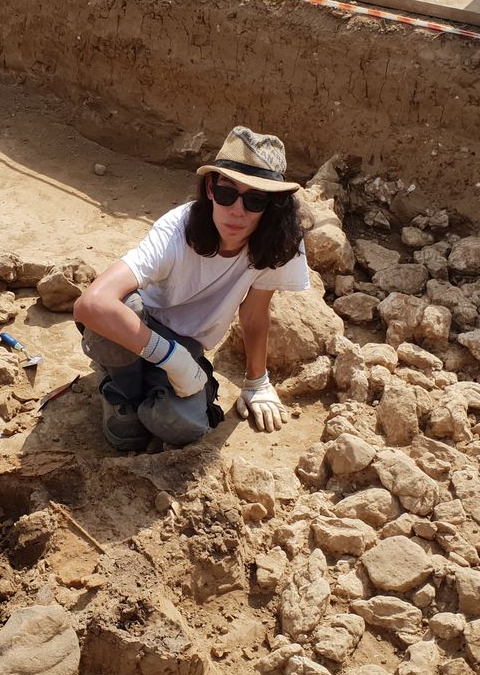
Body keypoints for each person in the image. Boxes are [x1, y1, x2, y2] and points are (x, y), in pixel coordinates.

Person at [74, 127, 310, 452]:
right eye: (228, 194)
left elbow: (254, 313)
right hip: (139, 325)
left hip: (190, 344)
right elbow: (92, 304)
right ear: (211, 189)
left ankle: (148, 386)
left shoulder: (278, 244)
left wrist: (257, 381)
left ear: (272, 206)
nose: (237, 211)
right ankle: (120, 388)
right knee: (120, 311)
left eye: (255, 199)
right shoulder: (176, 230)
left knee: (183, 426)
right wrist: (172, 360)